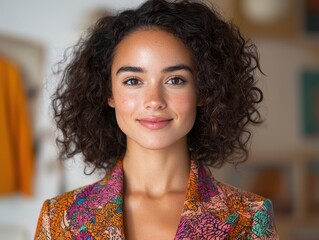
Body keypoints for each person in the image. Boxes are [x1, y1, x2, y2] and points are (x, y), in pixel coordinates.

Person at [34, 0, 279, 239]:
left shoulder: (249, 218)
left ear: (203, 90)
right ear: (108, 93)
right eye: (133, 81)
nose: (154, 100)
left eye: (175, 80)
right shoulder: (59, 219)